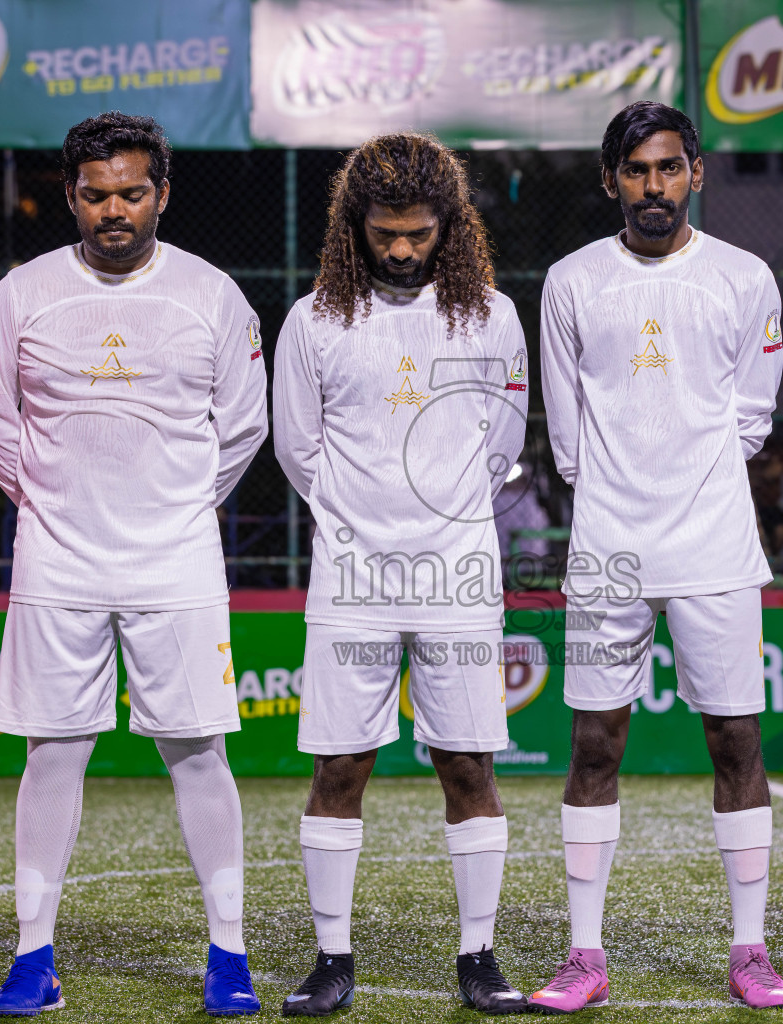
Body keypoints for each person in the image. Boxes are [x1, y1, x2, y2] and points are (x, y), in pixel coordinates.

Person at [0, 113, 268, 1017]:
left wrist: (173, 508)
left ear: (162, 195)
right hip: (57, 561)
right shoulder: (22, 294)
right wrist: (55, 504)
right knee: (53, 751)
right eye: (95, 194)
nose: (114, 210)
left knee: (197, 751)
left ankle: (230, 956)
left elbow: (242, 425)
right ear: (69, 196)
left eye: (131, 193)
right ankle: (33, 958)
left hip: (175, 563)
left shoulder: (214, 295)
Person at [531, 101, 783, 1011]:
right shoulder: (571, 281)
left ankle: (751, 948)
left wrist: (685, 485)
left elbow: (752, 418)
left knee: (736, 738)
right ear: (612, 179)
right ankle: (583, 953)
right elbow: (566, 436)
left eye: (670, 168)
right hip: (608, 545)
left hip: (716, 545)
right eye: (637, 170)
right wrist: (622, 491)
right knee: (595, 741)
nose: (655, 186)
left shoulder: (744, 276)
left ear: (696, 174)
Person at [273, 132, 531, 1017]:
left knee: (469, 765)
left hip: (459, 576)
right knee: (340, 768)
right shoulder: (314, 321)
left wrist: (442, 523)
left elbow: (504, 443)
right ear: (355, 226)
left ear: (449, 228)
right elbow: (296, 449)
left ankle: (479, 956)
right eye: (384, 233)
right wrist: (364, 526)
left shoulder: (491, 317)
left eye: (419, 233)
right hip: (351, 579)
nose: (401, 249)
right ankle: (332, 957)